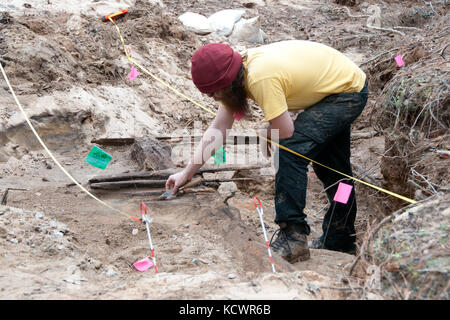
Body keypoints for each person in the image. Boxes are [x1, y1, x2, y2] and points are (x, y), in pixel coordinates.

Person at [165, 40, 368, 263]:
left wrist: (268, 130)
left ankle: (293, 236)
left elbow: (286, 131)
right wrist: (186, 173)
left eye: (214, 94)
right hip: (340, 85)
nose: (214, 99)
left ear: (225, 84)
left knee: (289, 150)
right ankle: (340, 238)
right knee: (335, 171)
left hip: (346, 93)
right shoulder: (237, 74)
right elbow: (219, 129)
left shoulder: (260, 78)